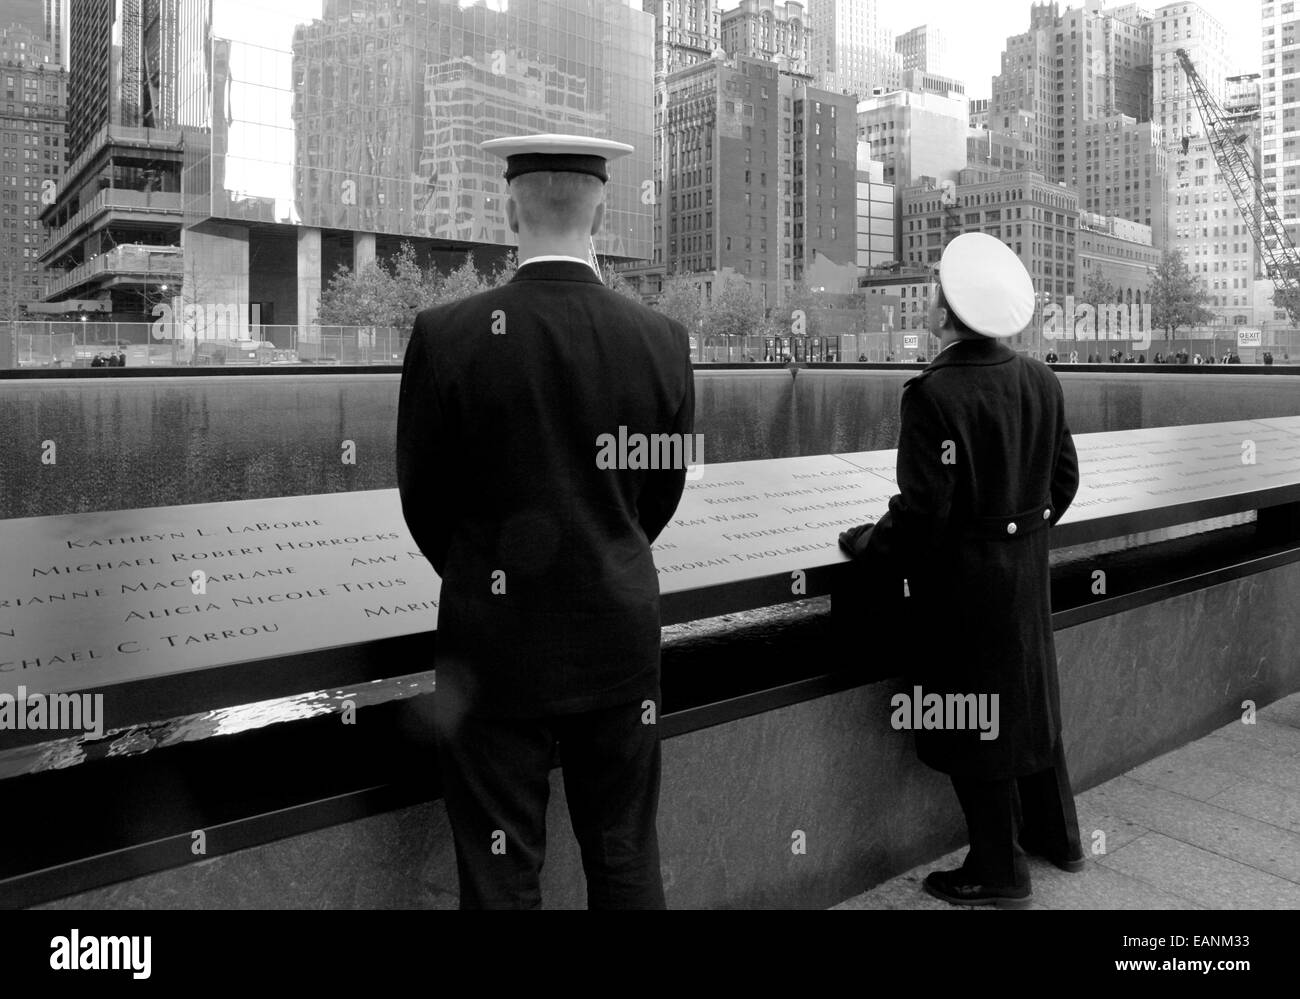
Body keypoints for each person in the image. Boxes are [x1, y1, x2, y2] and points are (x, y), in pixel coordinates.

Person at [396, 133, 694, 910]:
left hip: (493, 652)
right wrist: (609, 553)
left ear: (508, 209)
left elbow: (423, 499)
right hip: (618, 636)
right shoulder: (662, 341)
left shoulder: (445, 336)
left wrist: (481, 577)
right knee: (626, 850)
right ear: (601, 208)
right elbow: (659, 492)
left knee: (501, 871)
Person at [837, 233, 1082, 908]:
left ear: (948, 312)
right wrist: (1018, 536)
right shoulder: (1040, 377)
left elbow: (922, 516)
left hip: (966, 596)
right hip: (1024, 579)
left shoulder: (935, 394)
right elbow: (1064, 482)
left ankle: (998, 870)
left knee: (977, 717)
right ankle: (1062, 838)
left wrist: (866, 544)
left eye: (936, 292)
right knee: (1030, 699)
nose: (931, 300)